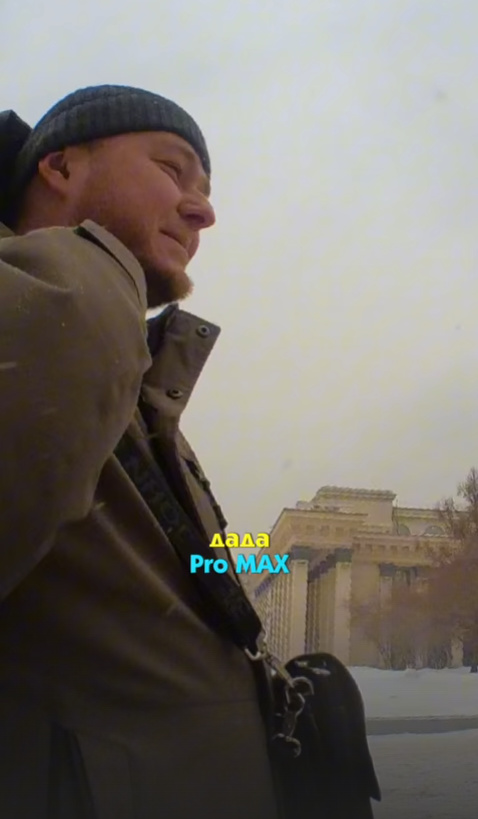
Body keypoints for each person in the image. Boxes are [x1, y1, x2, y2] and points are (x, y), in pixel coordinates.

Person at [0, 86, 280, 819]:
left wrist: (272, 560)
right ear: (60, 166)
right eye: (171, 168)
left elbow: (174, 570)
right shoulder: (73, 305)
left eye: (206, 189)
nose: (202, 210)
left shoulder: (123, 371)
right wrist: (94, 262)